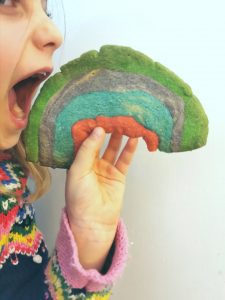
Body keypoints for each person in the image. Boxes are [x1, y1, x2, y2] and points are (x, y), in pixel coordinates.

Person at [0, 1, 138, 299]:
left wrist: (89, 237)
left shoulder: (10, 182)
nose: (54, 33)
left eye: (46, 11)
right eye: (6, 2)